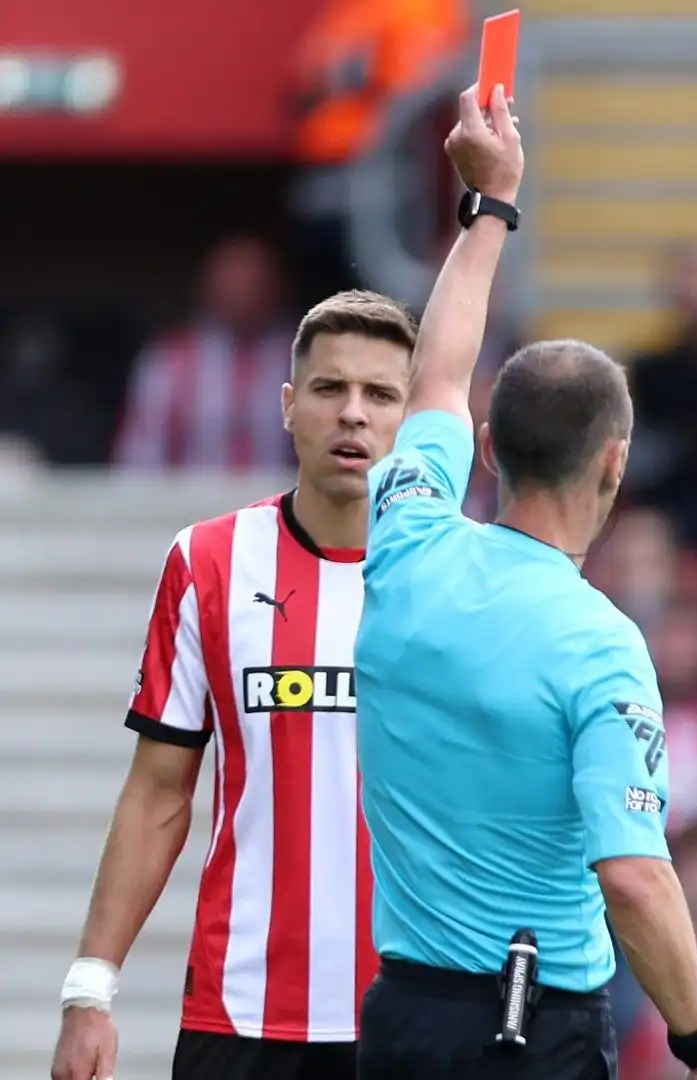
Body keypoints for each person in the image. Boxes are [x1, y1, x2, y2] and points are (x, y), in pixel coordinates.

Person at [350, 85, 697, 1080]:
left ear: (485, 446)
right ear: (616, 464)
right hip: (531, 1032)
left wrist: (490, 209)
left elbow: (433, 376)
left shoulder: (405, 539)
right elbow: (637, 881)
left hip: (400, 1020)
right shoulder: (597, 642)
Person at [49, 289, 419, 1080]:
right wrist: (90, 988)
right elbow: (157, 792)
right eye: (329, 389)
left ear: (411, 421)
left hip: (416, 1016)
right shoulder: (209, 562)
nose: (353, 414)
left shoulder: (456, 581)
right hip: (243, 1015)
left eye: (380, 394)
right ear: (288, 406)